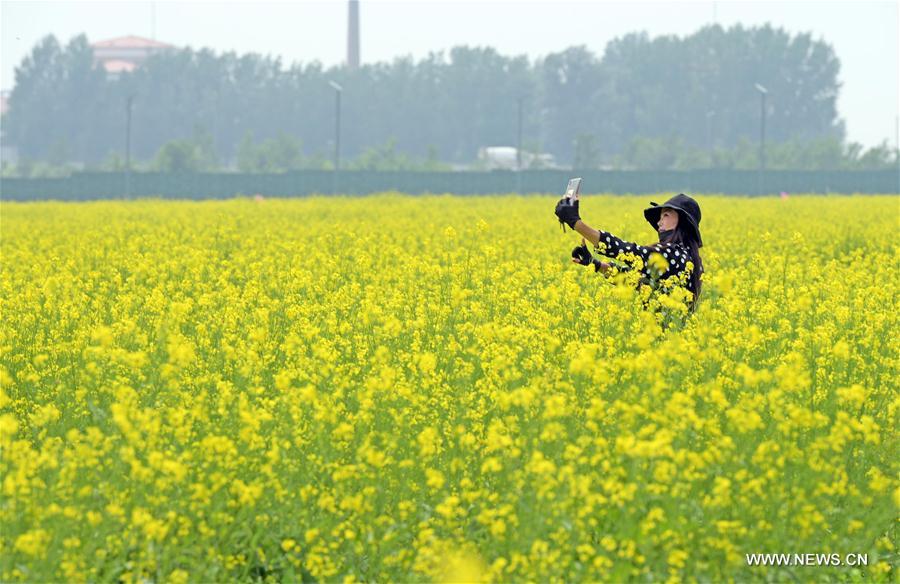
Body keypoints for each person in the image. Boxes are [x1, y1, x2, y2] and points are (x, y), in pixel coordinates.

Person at [555, 193, 704, 314]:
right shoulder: (686, 257)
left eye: (666, 215)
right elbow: (635, 281)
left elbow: (629, 251)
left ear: (683, 222)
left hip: (669, 344)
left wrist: (576, 223)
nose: (659, 222)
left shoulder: (676, 255)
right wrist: (597, 265)